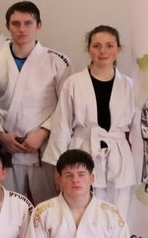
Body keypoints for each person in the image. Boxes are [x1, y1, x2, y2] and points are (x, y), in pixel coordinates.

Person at [44, 25, 138, 218]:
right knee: (82, 213)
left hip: (119, 154)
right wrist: (59, 166)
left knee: (118, 214)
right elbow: (61, 125)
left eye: (109, 45)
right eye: (97, 46)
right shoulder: (74, 83)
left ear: (119, 49)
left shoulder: (130, 86)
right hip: (82, 151)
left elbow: (137, 130)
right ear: (88, 49)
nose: (103, 51)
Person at [0, 1, 71, 203]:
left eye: (28, 23)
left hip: (43, 148)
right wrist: (0, 134)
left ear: (38, 25)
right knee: (8, 207)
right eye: (16, 23)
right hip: (6, 147)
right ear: (8, 26)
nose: (22, 29)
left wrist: (43, 133)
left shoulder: (58, 61)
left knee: (47, 207)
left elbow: (67, 106)